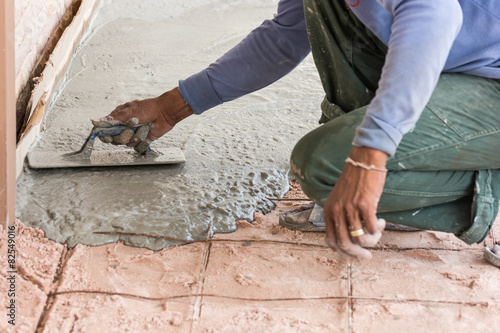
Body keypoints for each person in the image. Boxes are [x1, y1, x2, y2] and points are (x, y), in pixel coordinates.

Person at [92, 0, 500, 260]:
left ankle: (489, 190)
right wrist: (170, 107)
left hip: (490, 86)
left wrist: (370, 155)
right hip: (458, 64)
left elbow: (433, 13)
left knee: (325, 168)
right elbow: (284, 37)